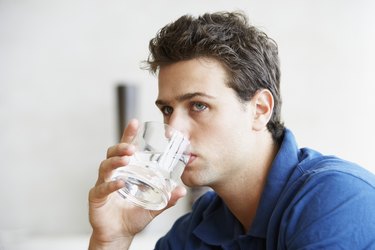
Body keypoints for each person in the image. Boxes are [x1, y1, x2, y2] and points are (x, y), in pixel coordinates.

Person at [88, 11, 375, 249]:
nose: (171, 129)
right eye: (167, 110)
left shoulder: (337, 199)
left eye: (198, 105)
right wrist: (113, 237)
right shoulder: (197, 229)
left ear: (260, 109)